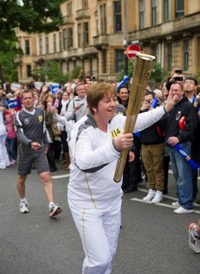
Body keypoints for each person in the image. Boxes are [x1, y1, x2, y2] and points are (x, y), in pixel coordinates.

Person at [68, 82, 176, 273]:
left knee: (108, 256)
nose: (113, 104)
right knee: (99, 260)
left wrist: (165, 108)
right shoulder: (83, 129)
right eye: (107, 101)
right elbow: (82, 162)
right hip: (87, 204)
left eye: (114, 99)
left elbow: (139, 120)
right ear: (94, 106)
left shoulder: (116, 121)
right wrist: (114, 147)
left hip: (112, 200)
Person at [14, 89, 62, 218]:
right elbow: (19, 134)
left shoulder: (40, 112)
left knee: (46, 176)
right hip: (25, 151)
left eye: (30, 98)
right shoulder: (18, 115)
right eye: (25, 98)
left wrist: (46, 144)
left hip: (39, 149)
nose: (28, 100)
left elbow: (43, 130)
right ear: (22, 100)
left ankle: (52, 205)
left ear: (34, 99)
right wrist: (30, 143)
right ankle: (23, 200)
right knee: (21, 178)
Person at [165, 82, 198, 214]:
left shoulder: (188, 107)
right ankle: (181, 199)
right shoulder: (172, 106)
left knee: (184, 175)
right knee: (178, 175)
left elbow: (191, 127)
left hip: (182, 145)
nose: (174, 92)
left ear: (182, 92)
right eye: (172, 90)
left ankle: (187, 204)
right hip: (172, 146)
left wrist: (179, 138)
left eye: (177, 90)